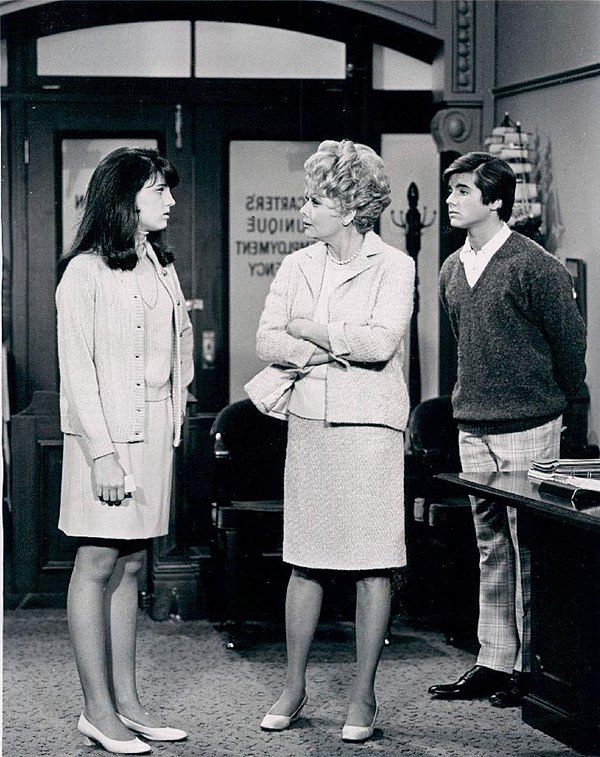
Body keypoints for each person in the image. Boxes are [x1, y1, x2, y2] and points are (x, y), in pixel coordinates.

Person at [246, 139, 415, 742]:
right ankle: (293, 687)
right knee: (306, 559)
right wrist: (328, 345)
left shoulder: (396, 265)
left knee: (372, 563)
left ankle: (363, 694)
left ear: (349, 207)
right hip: (311, 424)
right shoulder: (297, 264)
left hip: (371, 430)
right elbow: (267, 341)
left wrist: (311, 331)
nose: (303, 210)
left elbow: (381, 344)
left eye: (314, 199)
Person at [429, 152, 587, 707]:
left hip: (531, 420)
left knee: (528, 545)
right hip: (473, 421)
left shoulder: (534, 265)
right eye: (451, 190)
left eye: (464, 191)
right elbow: (463, 345)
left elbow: (570, 345)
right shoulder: (451, 268)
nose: (451, 199)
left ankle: (532, 668)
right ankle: (494, 660)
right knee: (490, 545)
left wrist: (573, 405)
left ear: (495, 201)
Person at [56, 147, 194, 753]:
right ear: (127, 197)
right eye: (160, 190)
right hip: (104, 441)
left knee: (134, 563)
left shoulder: (159, 266)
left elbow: (176, 349)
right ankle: (97, 710)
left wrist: (174, 420)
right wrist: (103, 454)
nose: (169, 200)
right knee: (96, 563)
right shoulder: (84, 271)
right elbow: (77, 372)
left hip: (153, 436)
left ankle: (129, 702)